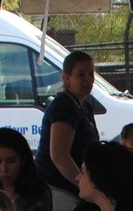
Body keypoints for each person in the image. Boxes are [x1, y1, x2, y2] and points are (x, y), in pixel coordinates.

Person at [40, 49, 102, 194]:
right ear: (67, 78)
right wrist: (84, 186)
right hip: (56, 188)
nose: (88, 79)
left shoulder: (84, 106)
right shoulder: (63, 107)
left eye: (91, 74)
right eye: (81, 75)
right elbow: (59, 156)